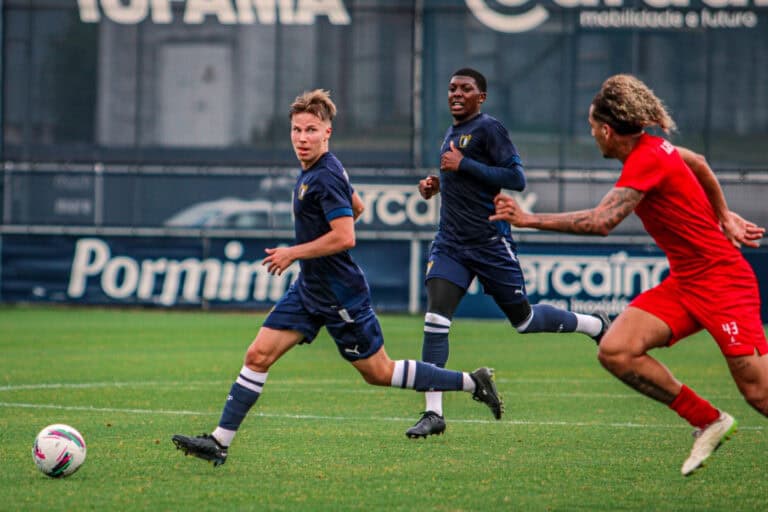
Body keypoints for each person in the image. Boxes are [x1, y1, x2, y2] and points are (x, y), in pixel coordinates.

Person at [172, 89, 503, 466]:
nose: (301, 138)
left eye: (310, 130)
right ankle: (220, 441)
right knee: (258, 354)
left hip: (340, 294)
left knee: (379, 372)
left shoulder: (325, 176)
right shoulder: (320, 171)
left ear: (327, 132)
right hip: (309, 290)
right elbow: (356, 207)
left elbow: (346, 235)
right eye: (296, 130)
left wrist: (294, 252)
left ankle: (472, 382)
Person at [490, 73, 768, 476]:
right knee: (616, 349)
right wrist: (723, 215)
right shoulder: (657, 148)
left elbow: (601, 222)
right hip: (687, 282)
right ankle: (708, 419)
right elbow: (700, 163)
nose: (592, 135)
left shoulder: (647, 159)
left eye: (591, 128)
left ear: (606, 130)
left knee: (759, 393)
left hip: (724, 282)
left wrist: (529, 219)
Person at [406, 68, 610, 439]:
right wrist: (435, 186)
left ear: (480, 97)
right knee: (435, 321)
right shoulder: (450, 134)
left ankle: (594, 325)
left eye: (465, 89)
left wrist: (463, 165)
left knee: (525, 321)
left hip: (489, 243)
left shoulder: (489, 129)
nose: (456, 93)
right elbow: (463, 179)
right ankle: (433, 413)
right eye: (451, 88)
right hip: (451, 243)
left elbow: (516, 177)